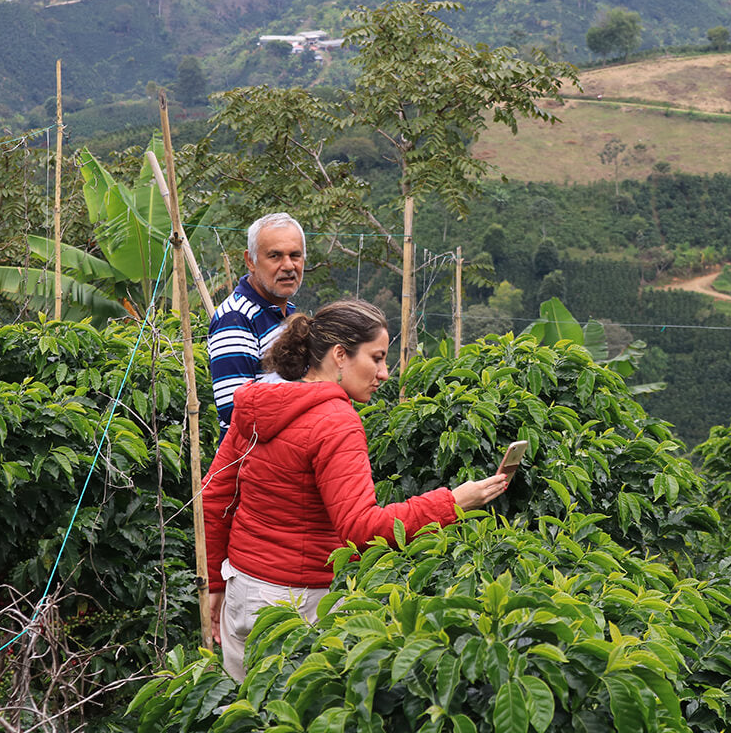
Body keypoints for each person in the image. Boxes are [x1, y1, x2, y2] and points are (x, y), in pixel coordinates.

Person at [202, 298, 507, 681]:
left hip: (243, 590)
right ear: (340, 355)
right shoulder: (335, 420)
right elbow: (362, 529)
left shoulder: (257, 403)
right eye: (377, 358)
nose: (384, 372)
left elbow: (214, 496)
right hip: (298, 604)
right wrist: (454, 502)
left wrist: (215, 582)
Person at [208, 213, 307, 437]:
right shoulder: (236, 318)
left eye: (295, 255)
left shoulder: (288, 313)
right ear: (250, 261)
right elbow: (234, 411)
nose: (288, 265)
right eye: (275, 256)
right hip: (251, 465)